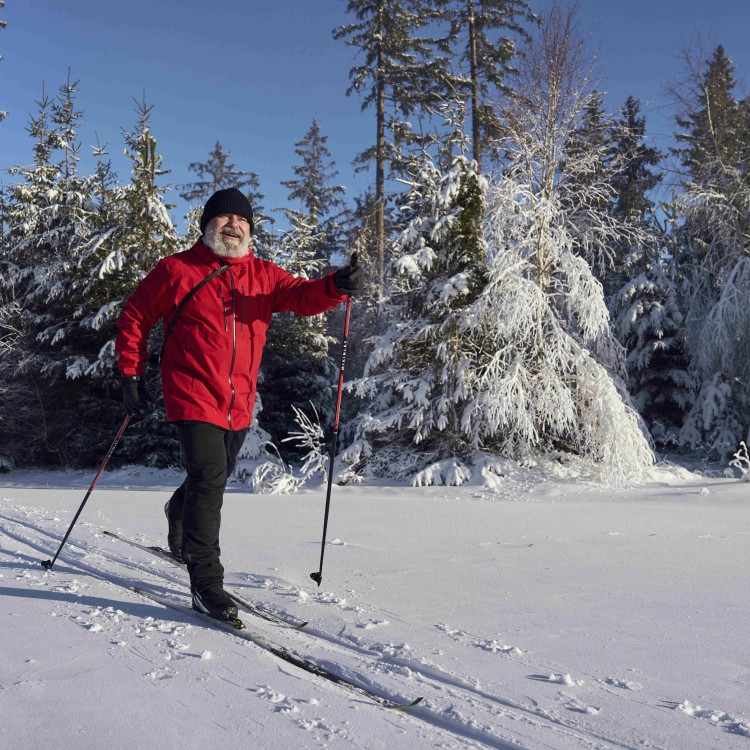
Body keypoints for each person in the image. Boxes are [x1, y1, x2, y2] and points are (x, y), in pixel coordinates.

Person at [115, 187, 362, 622]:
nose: (233, 226)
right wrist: (130, 373)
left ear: (250, 230)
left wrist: (335, 286)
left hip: (239, 401)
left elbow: (303, 297)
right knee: (210, 481)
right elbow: (135, 315)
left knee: (214, 477)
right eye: (224, 219)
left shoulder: (263, 275)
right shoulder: (177, 269)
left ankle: (178, 508)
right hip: (191, 393)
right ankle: (206, 583)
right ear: (207, 226)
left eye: (242, 221)